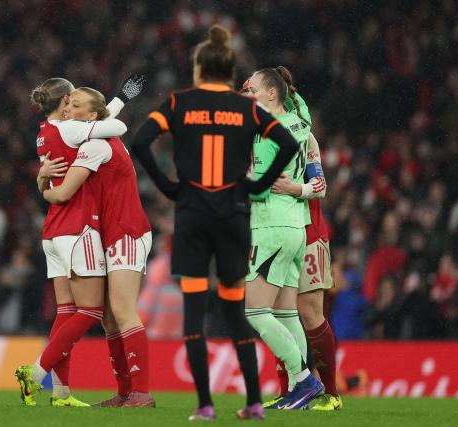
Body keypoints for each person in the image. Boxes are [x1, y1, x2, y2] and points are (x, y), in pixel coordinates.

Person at [131, 25, 298, 421]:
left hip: (191, 215)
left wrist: (169, 187)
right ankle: (254, 402)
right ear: (227, 70)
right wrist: (256, 185)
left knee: (193, 311)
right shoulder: (249, 108)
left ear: (197, 68)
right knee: (234, 311)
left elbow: (139, 141)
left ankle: (205, 405)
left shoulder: (178, 103)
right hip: (233, 215)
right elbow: (288, 144)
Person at [15, 76, 137, 407]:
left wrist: (119, 98)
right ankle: (36, 371)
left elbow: (94, 120)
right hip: (77, 227)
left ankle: (62, 392)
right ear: (66, 101)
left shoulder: (44, 133)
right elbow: (114, 129)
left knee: (66, 310)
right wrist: (117, 108)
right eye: (73, 100)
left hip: (53, 230)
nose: (74, 107)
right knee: (91, 311)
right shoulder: (68, 130)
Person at [42, 85, 156, 408]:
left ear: (91, 117)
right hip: (111, 234)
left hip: (126, 232)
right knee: (108, 316)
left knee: (122, 310)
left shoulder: (96, 146)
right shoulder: (96, 138)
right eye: (68, 103)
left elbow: (62, 193)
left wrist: (43, 186)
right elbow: (106, 116)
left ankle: (141, 392)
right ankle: (124, 392)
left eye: (75, 105)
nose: (68, 109)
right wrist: (120, 97)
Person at [242, 68, 324, 410]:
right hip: (295, 227)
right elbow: (298, 101)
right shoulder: (299, 120)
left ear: (272, 95)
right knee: (287, 313)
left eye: (252, 89)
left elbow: (260, 189)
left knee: (255, 311)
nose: (246, 93)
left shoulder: (266, 135)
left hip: (272, 227)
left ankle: (304, 379)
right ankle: (297, 391)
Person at [261, 67, 342, 411]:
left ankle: (331, 393)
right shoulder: (261, 137)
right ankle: (290, 389)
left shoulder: (304, 136)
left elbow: (320, 187)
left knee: (310, 314)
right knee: (277, 313)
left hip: (308, 233)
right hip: (276, 234)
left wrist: (294, 188)